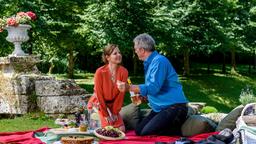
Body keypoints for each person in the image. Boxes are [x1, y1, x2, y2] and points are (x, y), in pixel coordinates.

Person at [123, 33, 189, 136]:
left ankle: (184, 131)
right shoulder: (151, 63)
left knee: (147, 132)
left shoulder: (159, 61)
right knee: (139, 131)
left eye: (135, 48)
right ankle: (172, 126)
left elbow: (153, 88)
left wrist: (129, 88)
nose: (135, 51)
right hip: (161, 108)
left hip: (175, 108)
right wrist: (146, 98)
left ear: (142, 50)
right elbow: (157, 89)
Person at [87, 44, 128, 132]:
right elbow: (99, 94)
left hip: (113, 105)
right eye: (115, 53)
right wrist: (106, 114)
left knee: (121, 130)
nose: (119, 55)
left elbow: (121, 94)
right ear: (107, 57)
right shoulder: (100, 72)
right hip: (98, 103)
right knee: (105, 130)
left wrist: (114, 111)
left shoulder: (124, 72)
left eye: (119, 53)